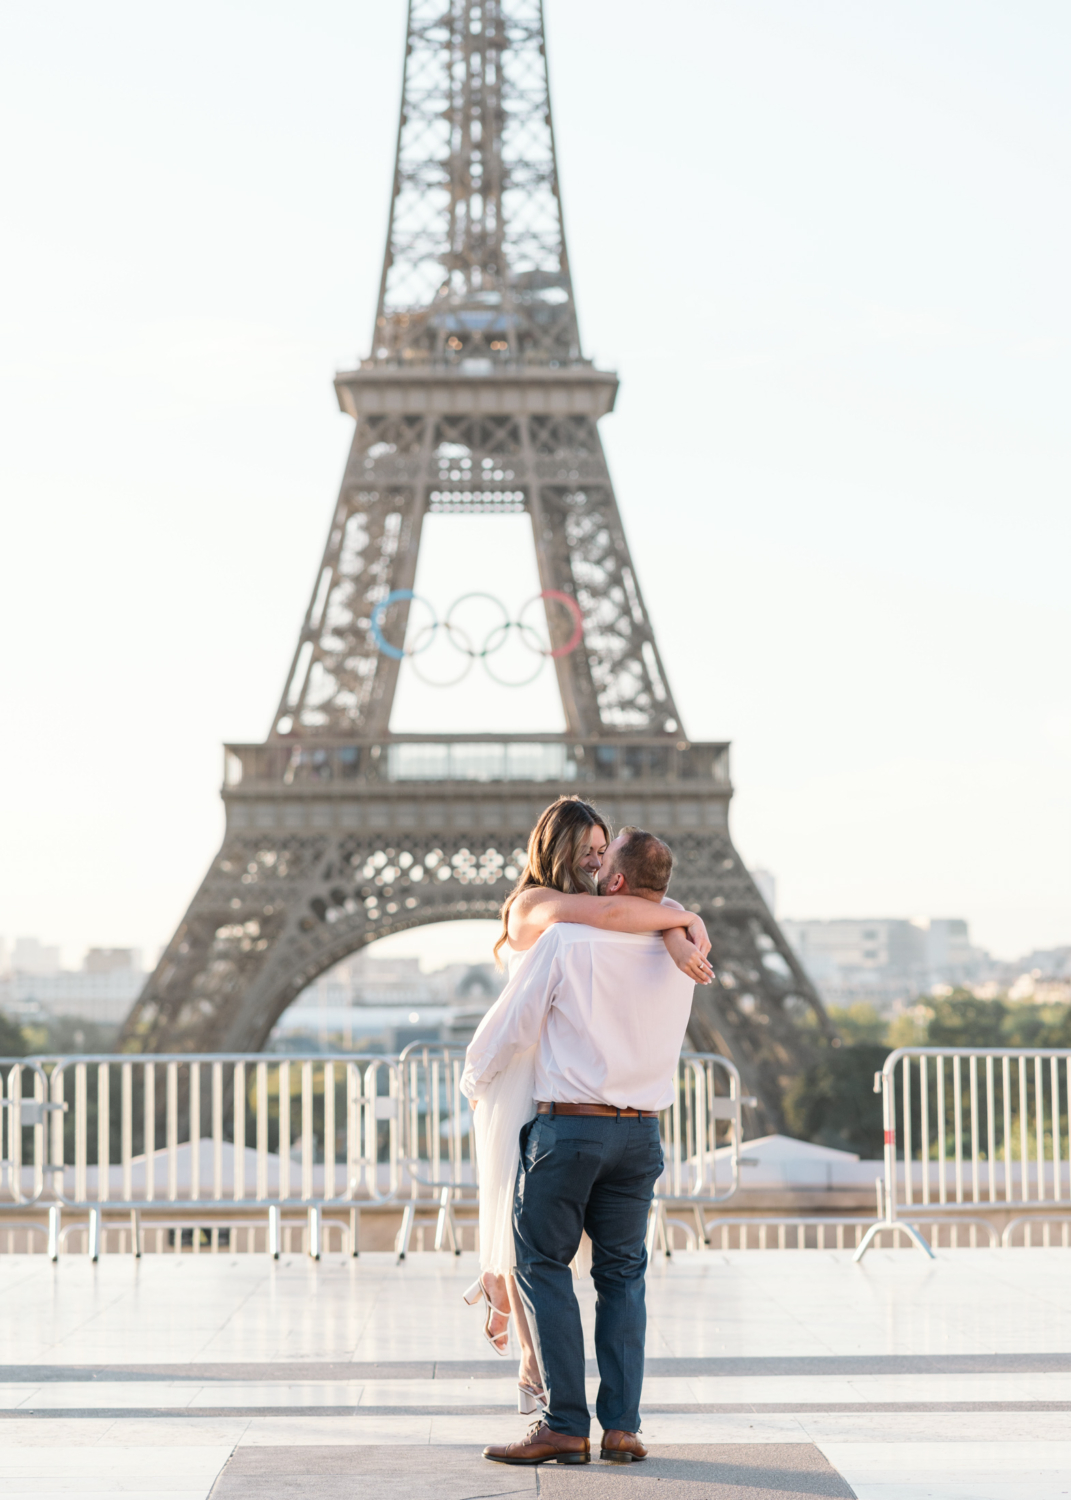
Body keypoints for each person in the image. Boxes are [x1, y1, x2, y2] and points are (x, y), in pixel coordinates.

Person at [462, 796, 712, 1414]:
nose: (597, 863)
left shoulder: (585, 931)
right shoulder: (539, 910)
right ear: (559, 852)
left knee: (537, 1254)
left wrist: (680, 925)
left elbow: (627, 908)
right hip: (538, 1084)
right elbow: (629, 907)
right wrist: (680, 926)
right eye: (588, 852)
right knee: (579, 1263)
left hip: (561, 1091)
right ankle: (569, 1392)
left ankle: (559, 1413)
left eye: (604, 853)